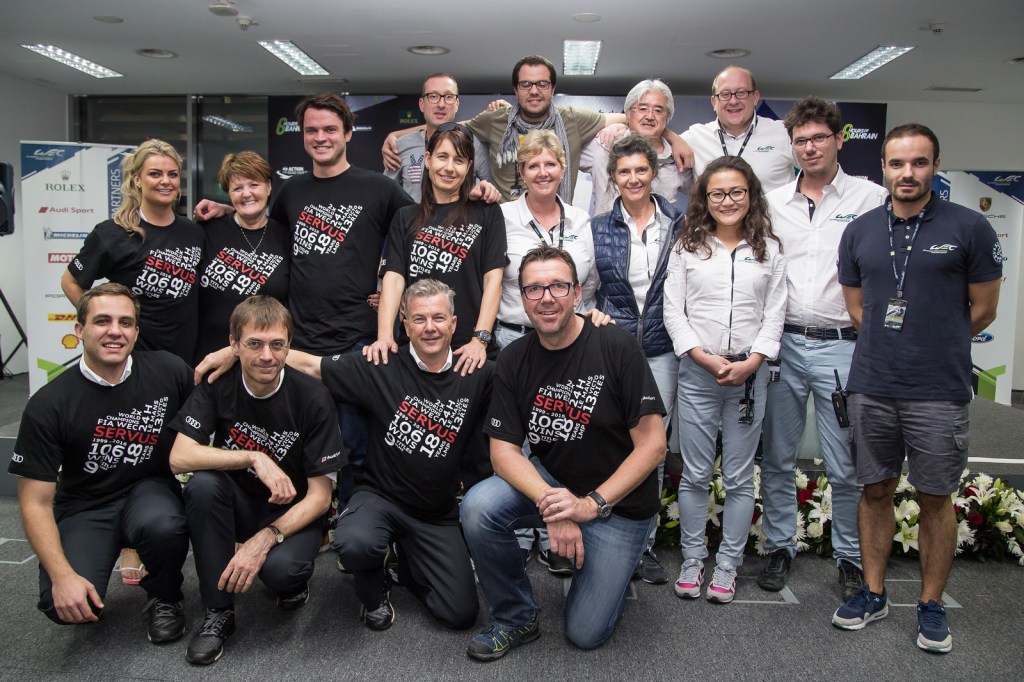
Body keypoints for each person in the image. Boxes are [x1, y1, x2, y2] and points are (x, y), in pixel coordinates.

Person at [195, 93, 413, 509]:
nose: (320, 137)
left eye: (330, 129)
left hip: (357, 340)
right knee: (300, 439)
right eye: (312, 130)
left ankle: (350, 522)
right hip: (298, 340)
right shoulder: (291, 192)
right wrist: (226, 210)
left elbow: (422, 229)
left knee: (354, 444)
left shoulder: (379, 188)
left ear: (348, 133)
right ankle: (307, 517)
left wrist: (392, 290)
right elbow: (263, 230)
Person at [832, 123, 1001, 654]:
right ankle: (873, 592)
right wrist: (895, 343)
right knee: (875, 490)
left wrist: (932, 343)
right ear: (883, 167)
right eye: (897, 163)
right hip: (872, 384)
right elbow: (857, 309)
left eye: (919, 162)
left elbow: (984, 309)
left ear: (935, 165)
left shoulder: (970, 227)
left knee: (935, 496)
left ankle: (930, 603)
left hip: (938, 388)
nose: (908, 173)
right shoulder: (860, 231)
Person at [461, 244, 666, 660]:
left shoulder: (616, 345)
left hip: (618, 504)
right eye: (534, 289)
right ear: (522, 299)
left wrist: (589, 506)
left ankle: (616, 567)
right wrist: (557, 509)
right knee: (478, 506)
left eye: (558, 286)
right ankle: (516, 617)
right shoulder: (514, 358)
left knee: (585, 633)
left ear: (576, 293)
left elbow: (653, 446)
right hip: (555, 483)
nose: (547, 298)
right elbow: (503, 454)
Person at [286, 280, 491, 632]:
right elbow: (308, 365)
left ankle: (407, 561)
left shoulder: (475, 372)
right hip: (380, 497)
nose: (430, 327)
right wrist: (237, 351)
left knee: (459, 614)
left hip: (435, 513)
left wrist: (589, 322)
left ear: (454, 324)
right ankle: (373, 589)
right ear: (405, 325)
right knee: (355, 542)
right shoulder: (380, 364)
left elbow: (530, 372)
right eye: (419, 319)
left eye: (439, 318)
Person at [9, 283, 192, 643]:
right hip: (87, 505)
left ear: (136, 332)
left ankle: (166, 596)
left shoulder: (169, 371)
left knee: (164, 524)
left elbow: (215, 405)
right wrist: (62, 575)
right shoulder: (49, 403)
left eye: (126, 323)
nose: (115, 331)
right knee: (62, 605)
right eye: (102, 321)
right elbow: (35, 503)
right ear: (80, 329)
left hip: (149, 492)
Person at [758, 97, 887, 598]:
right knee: (778, 457)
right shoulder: (773, 202)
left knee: (845, 464)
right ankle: (779, 547)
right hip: (784, 344)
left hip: (844, 347)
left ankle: (850, 558)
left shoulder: (870, 198)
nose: (810, 148)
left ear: (839, 140)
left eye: (818, 138)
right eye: (801, 141)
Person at [167, 296, 342, 665]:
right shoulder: (219, 384)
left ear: (289, 346)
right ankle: (218, 612)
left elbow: (320, 498)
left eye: (277, 344)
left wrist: (265, 538)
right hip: (239, 503)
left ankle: (290, 582)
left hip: (292, 513)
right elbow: (179, 456)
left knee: (284, 572)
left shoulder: (313, 397)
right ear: (234, 345)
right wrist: (253, 457)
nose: (266, 356)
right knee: (202, 485)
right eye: (254, 344)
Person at [664, 156, 786, 604]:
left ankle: (729, 565)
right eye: (717, 193)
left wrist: (752, 362)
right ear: (704, 198)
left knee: (739, 477)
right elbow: (673, 311)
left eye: (736, 192)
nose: (727, 200)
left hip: (750, 377)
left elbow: (775, 313)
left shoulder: (769, 249)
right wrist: (701, 357)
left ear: (750, 195)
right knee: (695, 474)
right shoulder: (686, 247)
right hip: (698, 373)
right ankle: (693, 559)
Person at [384, 55, 693, 203]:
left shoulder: (572, 119)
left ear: (552, 88)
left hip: (557, 224)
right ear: (515, 89)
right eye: (526, 84)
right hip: (505, 227)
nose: (534, 91)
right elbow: (451, 127)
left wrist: (672, 136)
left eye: (542, 84)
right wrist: (399, 135)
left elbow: (632, 116)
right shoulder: (495, 120)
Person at [498, 129, 597, 575]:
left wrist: (590, 320)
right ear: (521, 171)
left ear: (563, 169)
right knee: (518, 442)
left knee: (561, 436)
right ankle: (522, 533)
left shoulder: (580, 219)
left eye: (550, 164)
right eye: (533, 165)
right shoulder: (501, 216)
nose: (542, 172)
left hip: (567, 342)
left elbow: (588, 284)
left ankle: (554, 532)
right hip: (515, 339)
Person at [591, 133, 683, 585]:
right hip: (614, 349)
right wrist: (591, 315)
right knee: (609, 443)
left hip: (663, 348)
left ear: (654, 173)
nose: (633, 178)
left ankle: (643, 546)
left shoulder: (680, 224)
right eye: (624, 171)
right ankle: (602, 534)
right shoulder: (597, 228)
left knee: (652, 449)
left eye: (640, 170)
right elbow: (586, 287)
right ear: (613, 177)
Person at [366, 123, 506, 375]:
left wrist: (480, 340)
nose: (449, 168)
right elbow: (394, 280)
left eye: (459, 160)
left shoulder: (487, 213)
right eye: (442, 157)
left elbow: (493, 280)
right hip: (416, 351)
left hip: (469, 352)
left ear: (469, 167)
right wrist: (385, 337)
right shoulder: (405, 217)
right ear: (428, 160)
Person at [62, 139, 203, 364]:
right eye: (155, 174)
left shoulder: (193, 232)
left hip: (186, 358)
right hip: (135, 358)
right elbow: (70, 282)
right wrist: (104, 324)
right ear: (137, 179)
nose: (165, 181)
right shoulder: (112, 233)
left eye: (173, 174)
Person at [194, 152, 290, 363]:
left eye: (254, 185)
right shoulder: (207, 231)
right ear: (228, 193)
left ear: (269, 186)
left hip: (264, 359)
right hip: (208, 356)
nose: (246, 194)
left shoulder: (286, 237)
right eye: (237, 188)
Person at [582, 79, 691, 215]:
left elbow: (706, 191)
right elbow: (566, 133)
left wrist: (674, 138)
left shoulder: (678, 158)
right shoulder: (605, 143)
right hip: (606, 228)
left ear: (667, 116)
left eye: (658, 110)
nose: (650, 116)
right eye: (642, 108)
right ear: (628, 112)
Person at [682, 66, 797, 192]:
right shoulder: (695, 138)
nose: (733, 101)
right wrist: (672, 137)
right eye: (725, 94)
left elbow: (813, 169)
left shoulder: (784, 133)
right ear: (714, 102)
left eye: (741, 93)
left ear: (755, 97)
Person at [385, 73, 491, 199]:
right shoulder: (401, 146)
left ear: (457, 104)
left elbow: (493, 192)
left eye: (448, 97)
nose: (441, 104)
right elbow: (385, 195)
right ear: (422, 104)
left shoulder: (474, 145)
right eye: (433, 96)